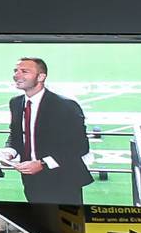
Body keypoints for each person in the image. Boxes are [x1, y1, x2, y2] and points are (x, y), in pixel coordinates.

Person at [6, 56, 93, 204]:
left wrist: (43, 164)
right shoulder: (16, 103)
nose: (16, 75)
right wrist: (10, 151)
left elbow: (80, 147)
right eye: (16, 70)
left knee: (66, 224)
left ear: (41, 76)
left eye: (24, 71)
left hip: (63, 179)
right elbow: (16, 135)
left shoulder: (65, 106)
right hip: (30, 179)